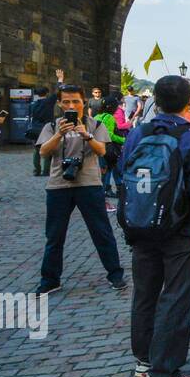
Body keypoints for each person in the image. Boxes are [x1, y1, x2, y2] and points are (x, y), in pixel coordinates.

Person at [121, 75, 190, 377]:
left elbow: (124, 178)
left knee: (145, 294)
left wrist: (129, 221)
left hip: (142, 225)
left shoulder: (137, 134)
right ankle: (162, 375)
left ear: (155, 102)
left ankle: (144, 360)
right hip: (179, 229)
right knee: (175, 296)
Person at [34, 84, 125, 294]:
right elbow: (44, 152)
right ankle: (50, 280)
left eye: (75, 101)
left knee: (101, 232)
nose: (71, 105)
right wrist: (58, 134)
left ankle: (115, 274)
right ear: (59, 103)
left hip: (89, 184)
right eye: (66, 102)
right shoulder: (51, 125)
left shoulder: (94, 125)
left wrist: (86, 135)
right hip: (58, 185)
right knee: (54, 235)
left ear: (83, 102)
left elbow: (102, 150)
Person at [93, 94, 128, 210]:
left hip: (96, 147)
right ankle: (104, 198)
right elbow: (109, 135)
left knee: (103, 173)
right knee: (106, 173)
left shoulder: (97, 116)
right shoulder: (109, 117)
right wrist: (124, 140)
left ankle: (104, 195)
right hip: (107, 149)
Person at [28, 85, 57, 177]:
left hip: (35, 129)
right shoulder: (48, 102)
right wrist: (60, 80)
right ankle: (46, 171)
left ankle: (36, 170)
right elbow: (57, 93)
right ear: (47, 93)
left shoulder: (32, 104)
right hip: (46, 128)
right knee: (47, 150)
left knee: (36, 150)